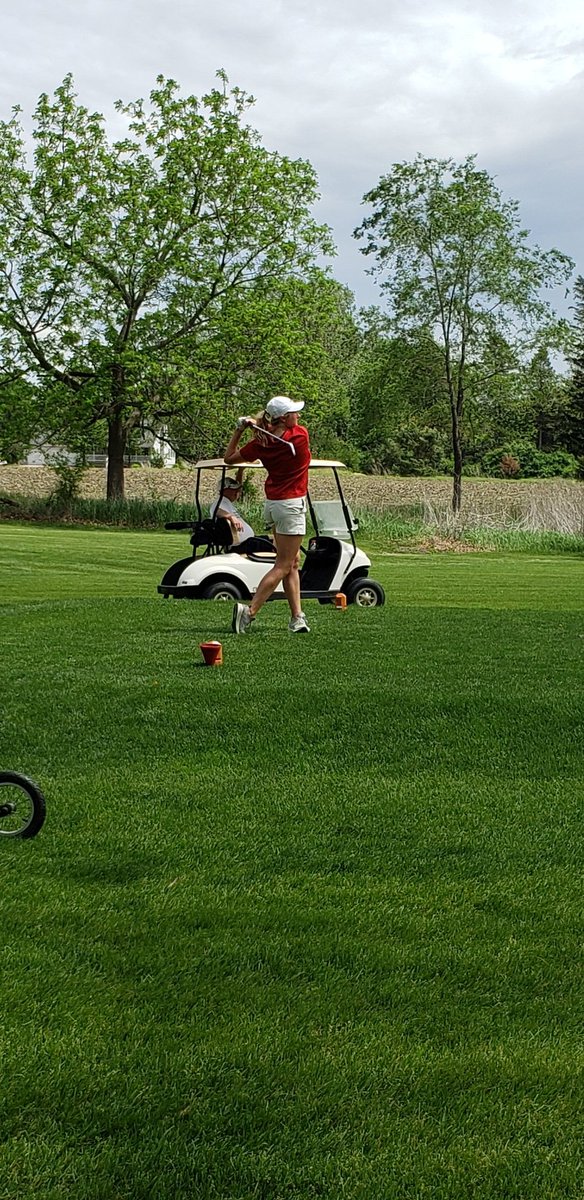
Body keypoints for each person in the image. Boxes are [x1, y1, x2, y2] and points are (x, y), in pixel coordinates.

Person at [224, 395, 311, 633]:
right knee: (283, 564)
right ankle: (249, 612)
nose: (298, 416)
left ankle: (297, 618)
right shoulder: (299, 436)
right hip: (291, 505)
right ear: (284, 418)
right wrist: (257, 425)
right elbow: (281, 430)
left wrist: (241, 429)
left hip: (274, 504)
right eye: (294, 412)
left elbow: (229, 459)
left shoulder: (261, 442)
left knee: (292, 562)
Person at [209, 469, 255, 545]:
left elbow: (239, 487)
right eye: (233, 489)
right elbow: (216, 510)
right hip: (243, 545)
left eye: (237, 489)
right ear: (224, 490)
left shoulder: (227, 502)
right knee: (277, 543)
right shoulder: (220, 502)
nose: (236, 491)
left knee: (275, 539)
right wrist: (231, 517)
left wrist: (240, 471)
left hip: (249, 542)